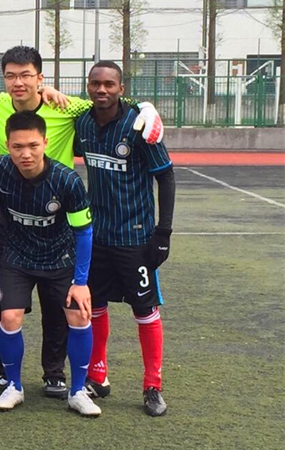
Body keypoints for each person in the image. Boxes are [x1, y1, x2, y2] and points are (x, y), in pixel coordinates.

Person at [0, 46, 163, 396]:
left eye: (26, 75)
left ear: (40, 78)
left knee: (58, 304)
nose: (18, 83)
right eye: (10, 76)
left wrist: (144, 107)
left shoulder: (64, 107)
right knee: (9, 306)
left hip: (58, 220)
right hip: (13, 218)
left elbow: (106, 101)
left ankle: (54, 372)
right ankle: (5, 373)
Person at [0, 111, 100, 416]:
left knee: (78, 316)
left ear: (45, 143)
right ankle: (14, 386)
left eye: (33, 145)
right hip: (16, 258)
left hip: (59, 259)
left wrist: (81, 282)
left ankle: (77, 391)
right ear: (7, 145)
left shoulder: (67, 180)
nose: (26, 153)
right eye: (18, 146)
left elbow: (84, 232)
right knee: (9, 317)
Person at [75, 61, 176, 417]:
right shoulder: (82, 122)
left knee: (144, 310)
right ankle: (97, 376)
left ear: (121, 88)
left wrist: (163, 233)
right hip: (97, 235)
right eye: (95, 84)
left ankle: (152, 386)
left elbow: (166, 176)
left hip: (135, 236)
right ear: (88, 86)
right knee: (94, 306)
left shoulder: (139, 124)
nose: (101, 90)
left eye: (109, 84)